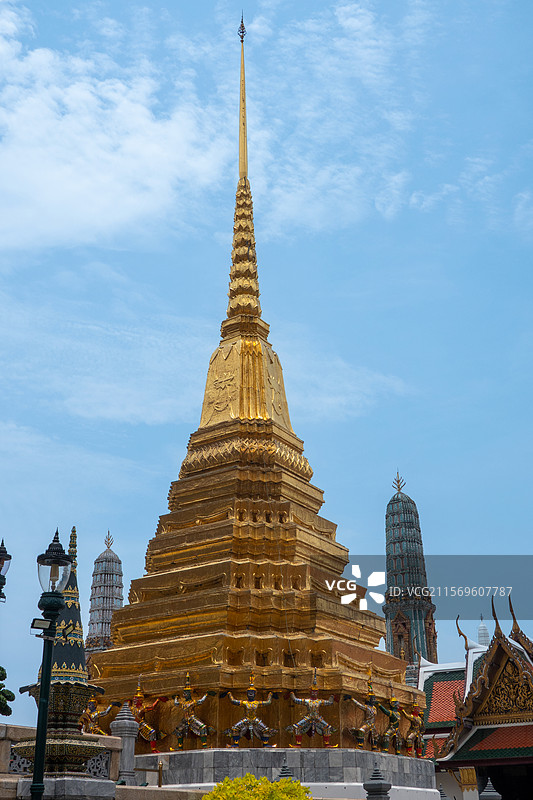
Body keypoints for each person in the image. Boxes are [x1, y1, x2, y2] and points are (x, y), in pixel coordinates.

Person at [287, 669, 336, 747]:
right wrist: (292, 695)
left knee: (327, 727)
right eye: (313, 691)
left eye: (315, 692)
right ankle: (298, 744)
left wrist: (332, 697)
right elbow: (296, 700)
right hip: (308, 718)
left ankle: (327, 744)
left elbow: (329, 702)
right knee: (297, 727)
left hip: (317, 718)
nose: (314, 693)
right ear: (310, 692)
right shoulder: (307, 701)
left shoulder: (319, 701)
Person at [225, 673, 277, 747]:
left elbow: (268, 702)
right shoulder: (245, 703)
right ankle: (236, 744)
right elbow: (233, 701)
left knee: (266, 729)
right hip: (246, 719)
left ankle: (265, 744)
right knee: (235, 728)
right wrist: (229, 694)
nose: (250, 694)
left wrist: (270, 695)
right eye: (249, 693)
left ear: (255, 694)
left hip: (255, 719)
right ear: (247, 694)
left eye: (252, 693)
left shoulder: (257, 703)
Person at [173, 672, 214, 749]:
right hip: (185, 719)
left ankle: (204, 745)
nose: (184, 695)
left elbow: (201, 701)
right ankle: (180, 747)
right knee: (178, 730)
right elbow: (176, 703)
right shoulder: (183, 703)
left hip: (192, 718)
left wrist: (206, 694)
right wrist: (176, 697)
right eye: (184, 693)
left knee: (203, 727)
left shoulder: (192, 702)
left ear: (189, 694)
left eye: (186, 693)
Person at [129, 679, 168, 753]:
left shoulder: (142, 708)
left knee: (152, 732)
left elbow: (152, 707)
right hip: (132, 725)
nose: (135, 700)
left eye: (136, 699)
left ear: (141, 700)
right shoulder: (131, 708)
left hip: (141, 724)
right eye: (134, 699)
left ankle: (153, 749)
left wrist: (158, 700)